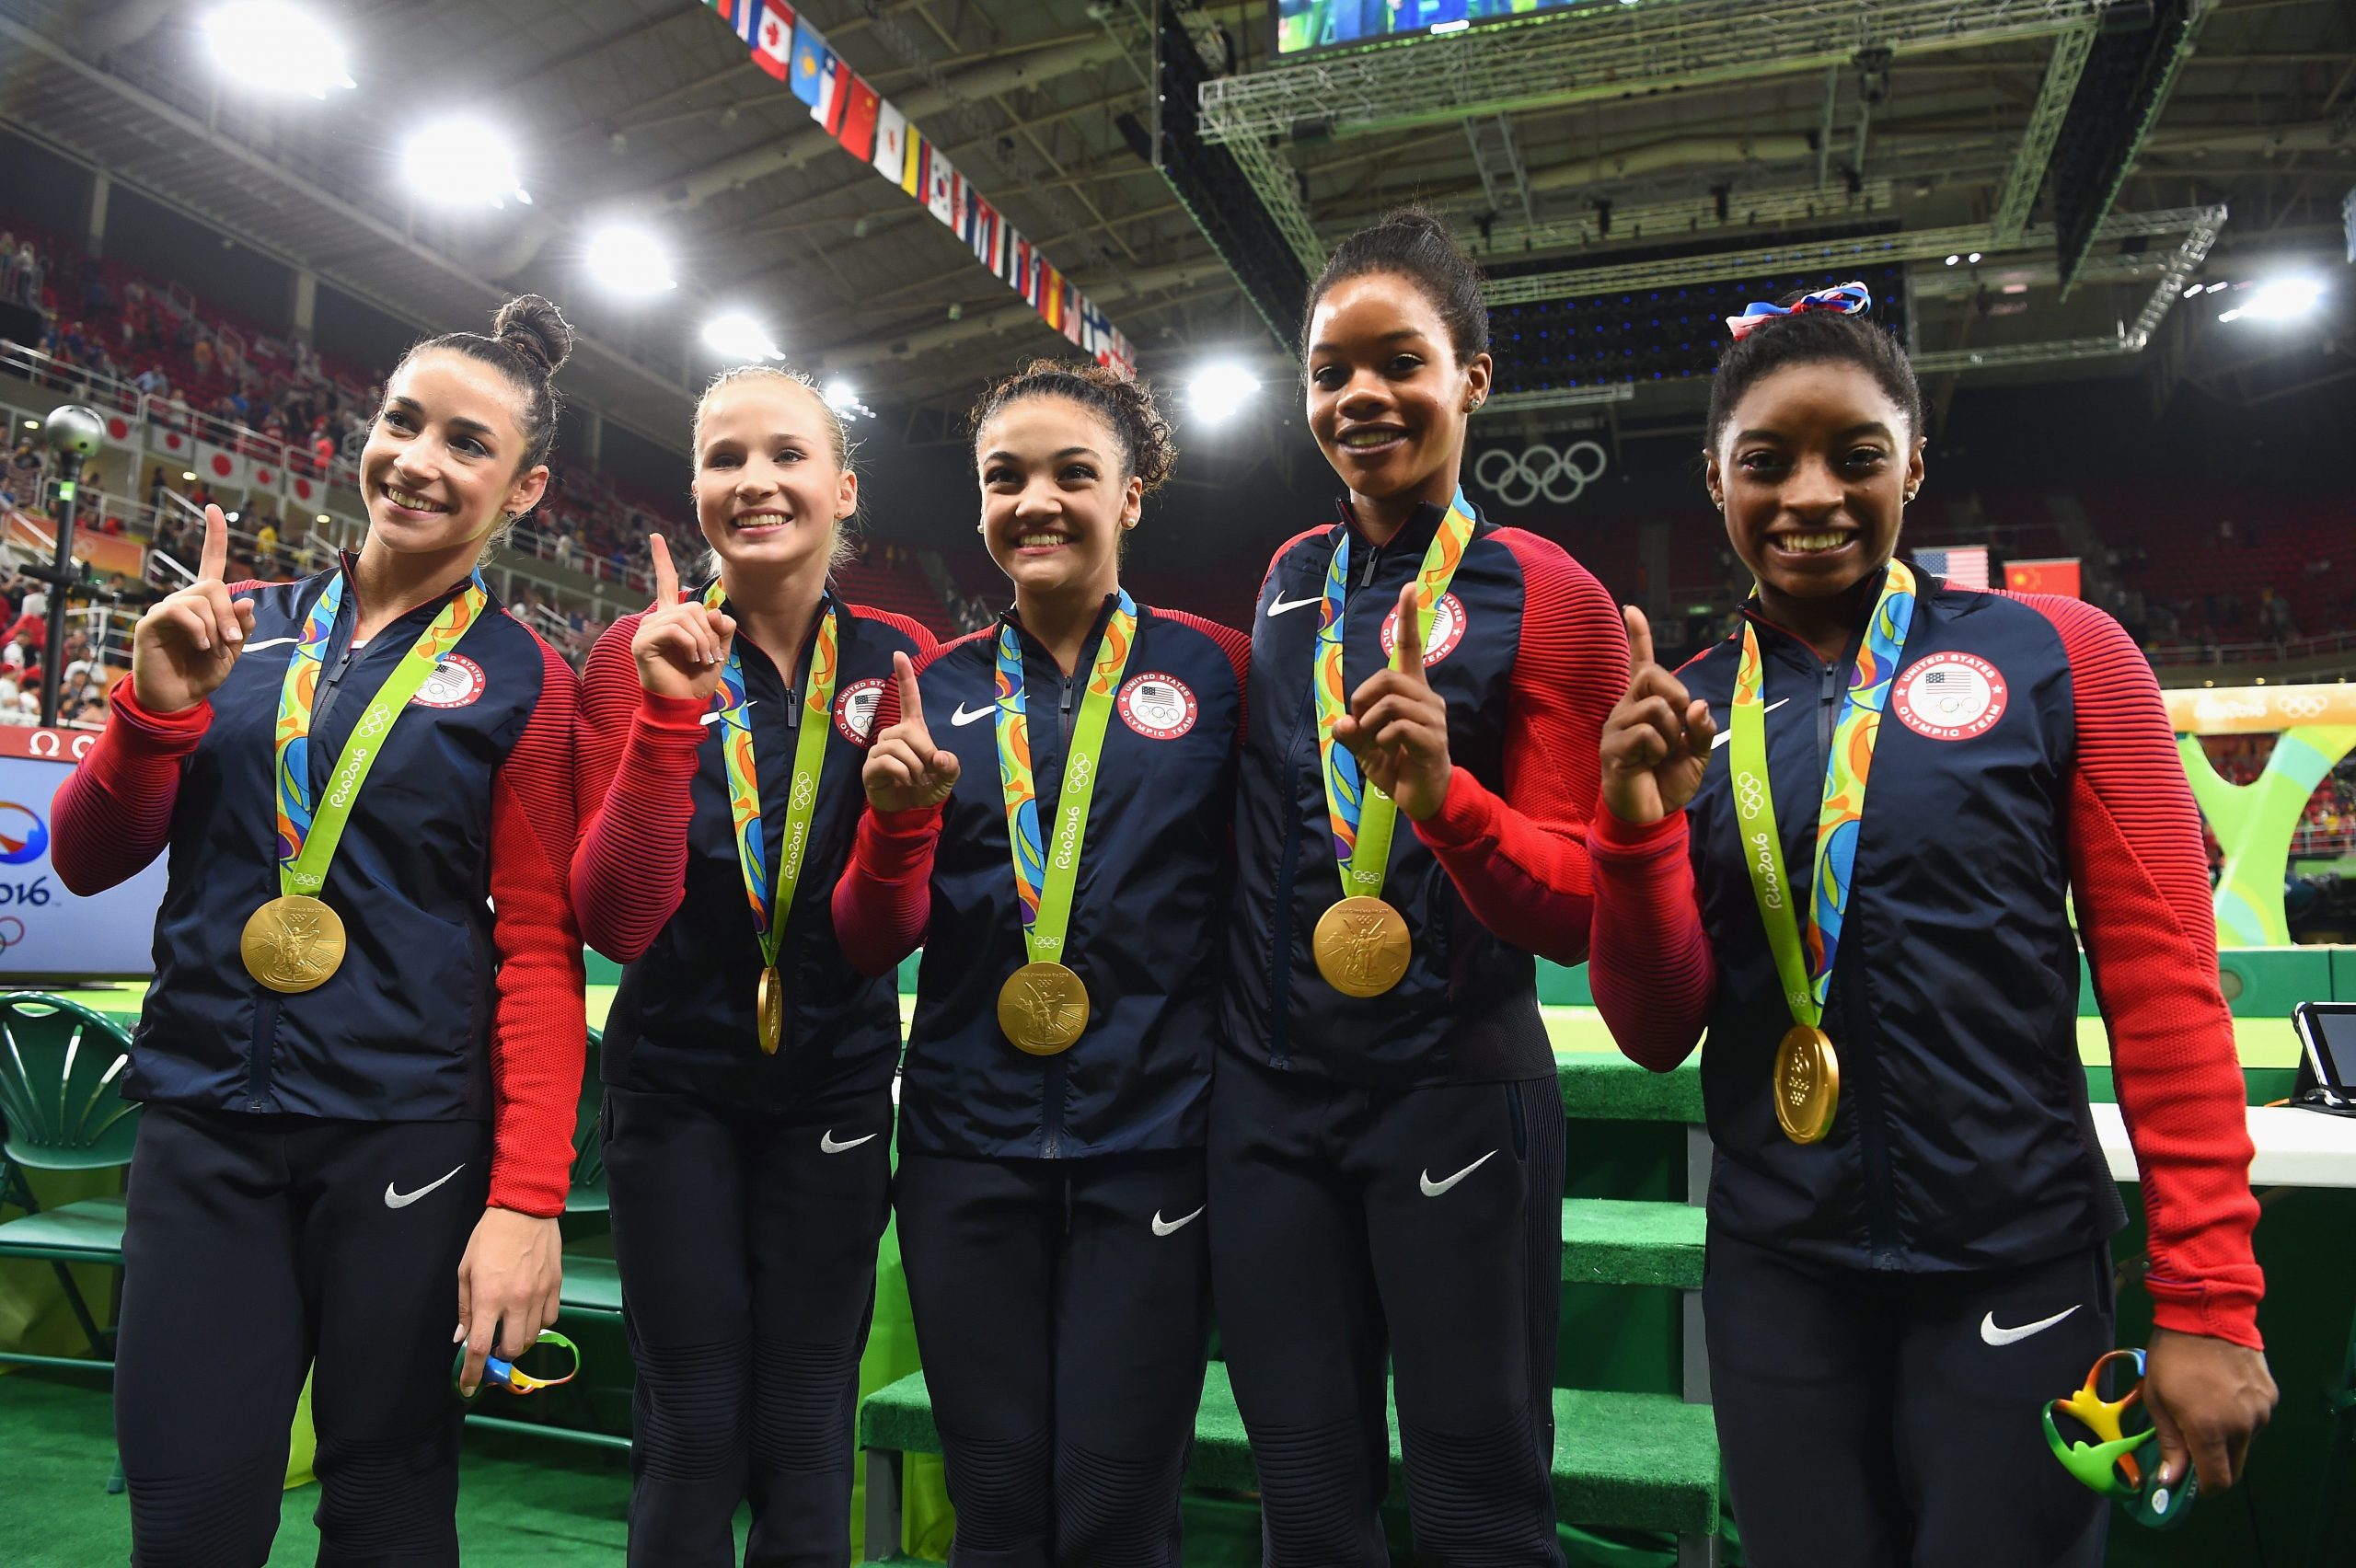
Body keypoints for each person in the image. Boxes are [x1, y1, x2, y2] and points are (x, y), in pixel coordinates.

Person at [1587, 282, 2276, 1567]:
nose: (1810, 497)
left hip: (2016, 1267)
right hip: (1778, 1277)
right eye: (1765, 462)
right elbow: (1652, 1023)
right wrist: (1631, 830)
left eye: (1855, 457)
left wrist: (2209, 1299)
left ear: (1913, 460)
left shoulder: (2060, 655)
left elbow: (2171, 990)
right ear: (1713, 478)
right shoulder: (1683, 711)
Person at [49, 295, 590, 1565]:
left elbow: (539, 951)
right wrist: (152, 708)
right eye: (403, 423)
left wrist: (525, 1201)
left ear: (524, 492)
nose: (419, 461)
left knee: (389, 1514)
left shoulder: (524, 678)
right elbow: (83, 861)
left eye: (469, 445)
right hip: (203, 1129)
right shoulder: (234, 628)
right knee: (187, 1513)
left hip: (406, 1144)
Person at [1208, 209, 1623, 1567]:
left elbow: (1574, 911)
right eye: (1331, 372)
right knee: (1306, 1504)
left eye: (1400, 362)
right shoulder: (1285, 582)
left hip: (1457, 1094)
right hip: (1272, 1103)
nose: (1360, 398)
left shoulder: (1548, 595)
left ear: (1473, 378)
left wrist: (1451, 804)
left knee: (1477, 1503)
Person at [835, 361, 1246, 1566]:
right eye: (1004, 478)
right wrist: (897, 826)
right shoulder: (932, 692)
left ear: (1131, 496)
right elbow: (869, 942)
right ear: (977, 505)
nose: (1037, 502)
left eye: (1075, 473)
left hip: (1155, 1148)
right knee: (999, 1510)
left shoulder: (1217, 672)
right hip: (968, 1155)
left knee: (1122, 1512)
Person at [572, 366, 935, 1567]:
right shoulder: (631, 654)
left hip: (830, 1093)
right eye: (726, 458)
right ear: (695, 490)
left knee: (804, 1423)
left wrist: (893, 826)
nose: (756, 480)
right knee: (690, 1424)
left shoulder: (899, 664)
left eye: (787, 454)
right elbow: (616, 922)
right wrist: (669, 718)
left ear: (842, 487)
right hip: (672, 1091)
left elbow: (884, 932)